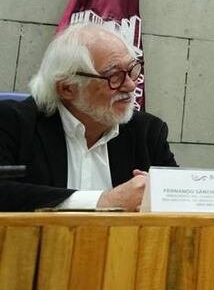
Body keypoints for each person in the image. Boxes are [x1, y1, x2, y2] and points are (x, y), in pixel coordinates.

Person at [0, 23, 176, 212]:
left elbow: (182, 197)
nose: (131, 86)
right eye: (114, 76)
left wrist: (161, 194)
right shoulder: (12, 122)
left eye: (132, 70)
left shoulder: (148, 132)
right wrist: (104, 201)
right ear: (67, 88)